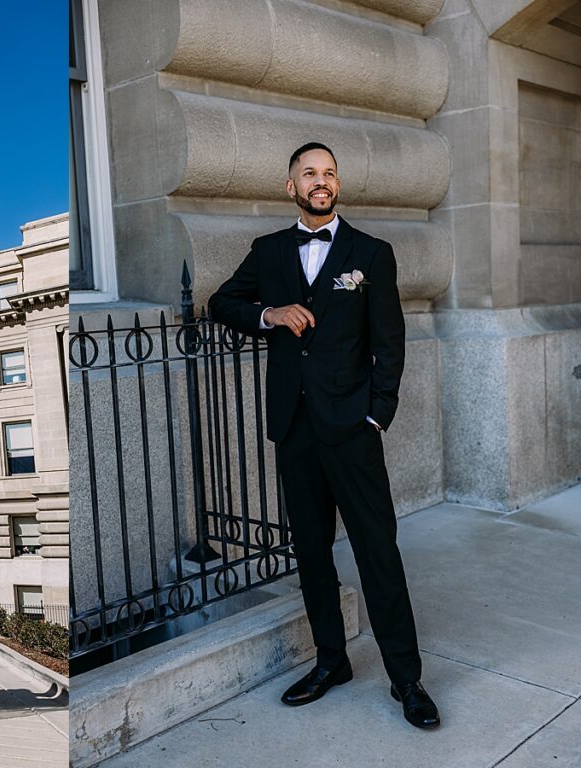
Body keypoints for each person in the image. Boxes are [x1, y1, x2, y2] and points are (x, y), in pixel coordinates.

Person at [207, 142, 439, 729]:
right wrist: (271, 314)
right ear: (291, 187)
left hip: (352, 431)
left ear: (336, 185)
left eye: (329, 173)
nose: (320, 181)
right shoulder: (269, 252)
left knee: (377, 552)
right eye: (309, 173)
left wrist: (375, 415)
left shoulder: (371, 254)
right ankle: (331, 661)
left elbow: (390, 344)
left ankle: (406, 680)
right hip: (295, 430)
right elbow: (220, 302)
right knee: (311, 553)